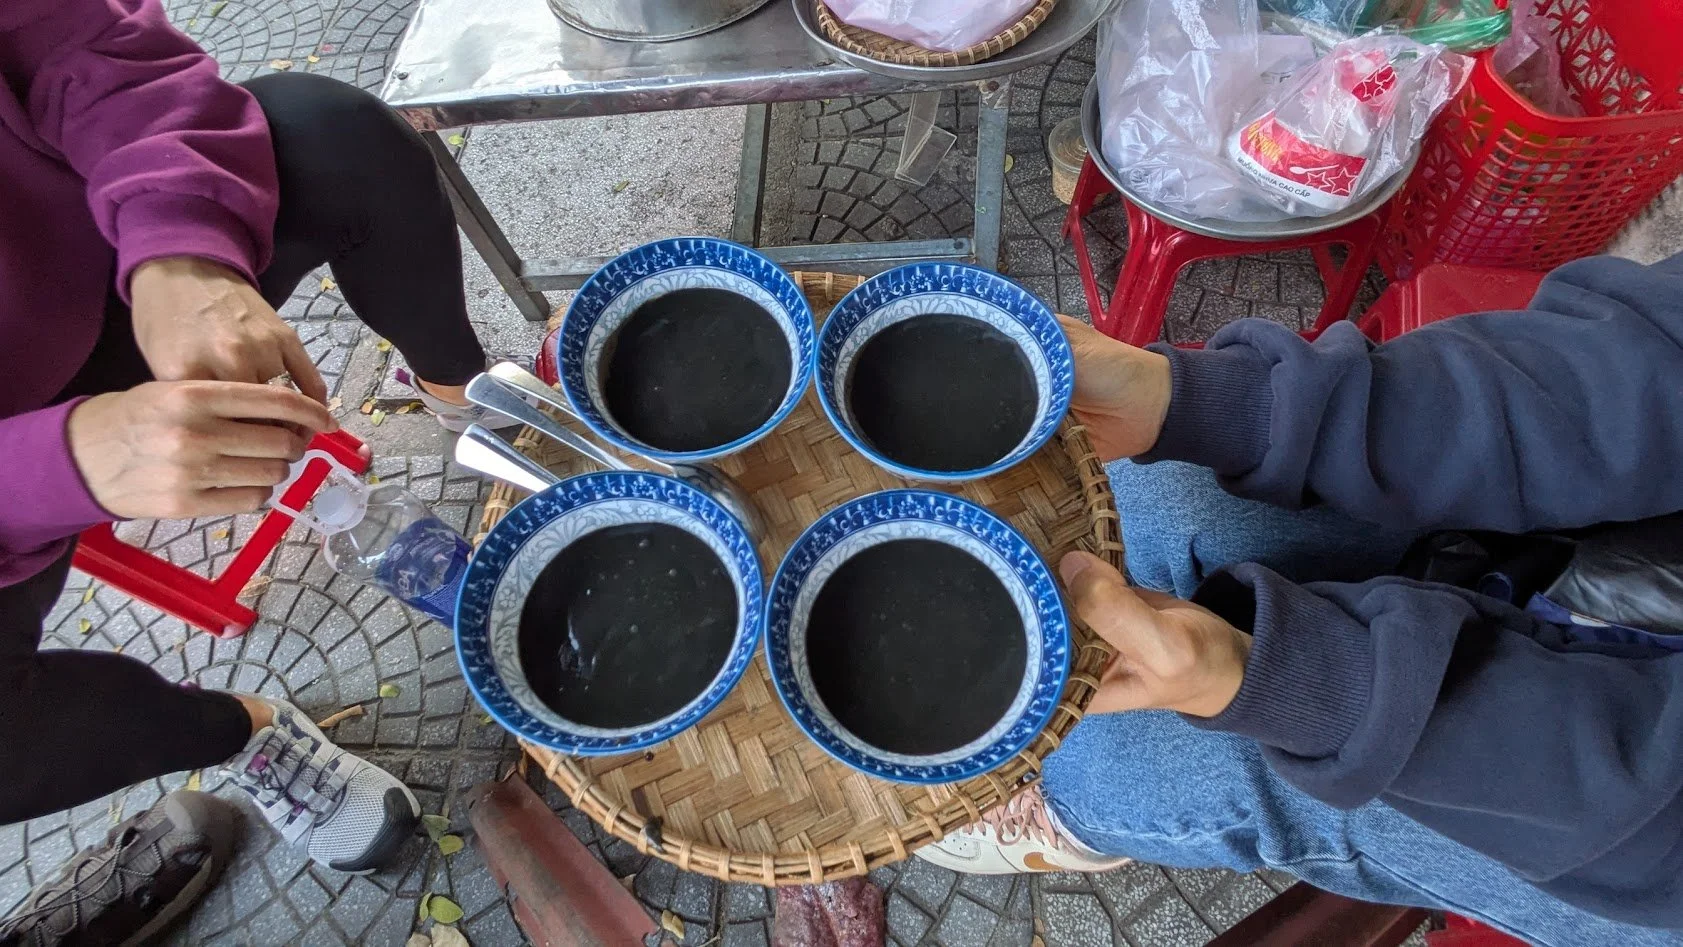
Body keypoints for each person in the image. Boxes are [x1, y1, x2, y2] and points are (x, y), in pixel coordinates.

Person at [919, 252, 1683, 946]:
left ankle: (1068, 815)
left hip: (1642, 850)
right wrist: (1228, 406)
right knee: (1162, 492)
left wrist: (1315, 690)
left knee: (1119, 769)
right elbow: (1644, 366)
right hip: (1611, 550)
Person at [1, 0, 521, 940]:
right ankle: (238, 732)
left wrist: (179, 250)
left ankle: (461, 398)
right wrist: (50, 462)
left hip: (82, 262)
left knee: (335, 133)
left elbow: (85, 40)